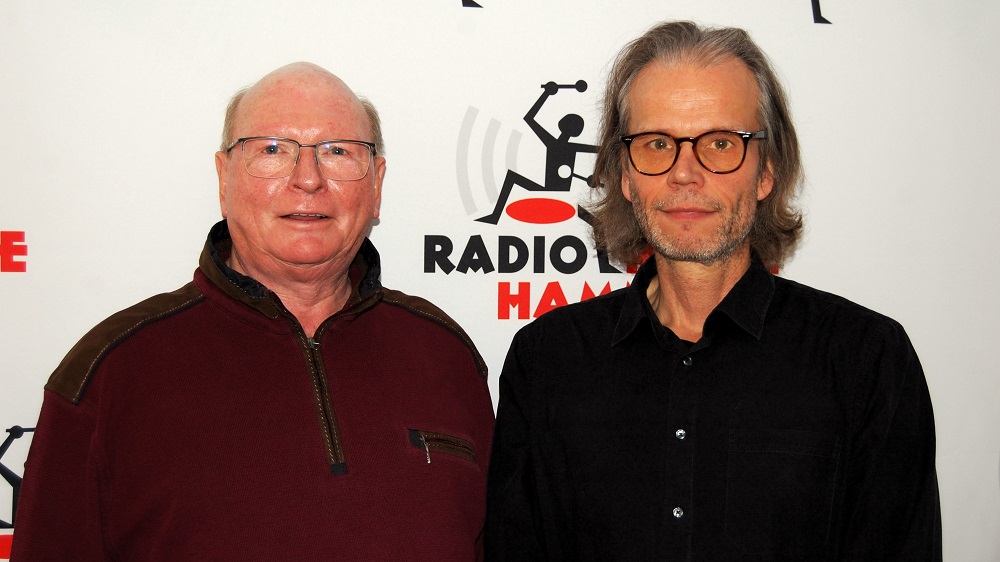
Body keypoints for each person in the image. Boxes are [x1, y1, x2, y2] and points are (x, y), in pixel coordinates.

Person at [485, 21, 940, 561]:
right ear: (626, 176)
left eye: (720, 144)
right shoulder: (547, 362)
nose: (685, 173)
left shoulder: (866, 361)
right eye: (657, 144)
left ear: (767, 171)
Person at [12, 62, 494, 561]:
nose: (308, 179)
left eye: (338, 152)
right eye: (272, 150)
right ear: (224, 178)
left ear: (376, 184)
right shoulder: (111, 371)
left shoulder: (444, 356)